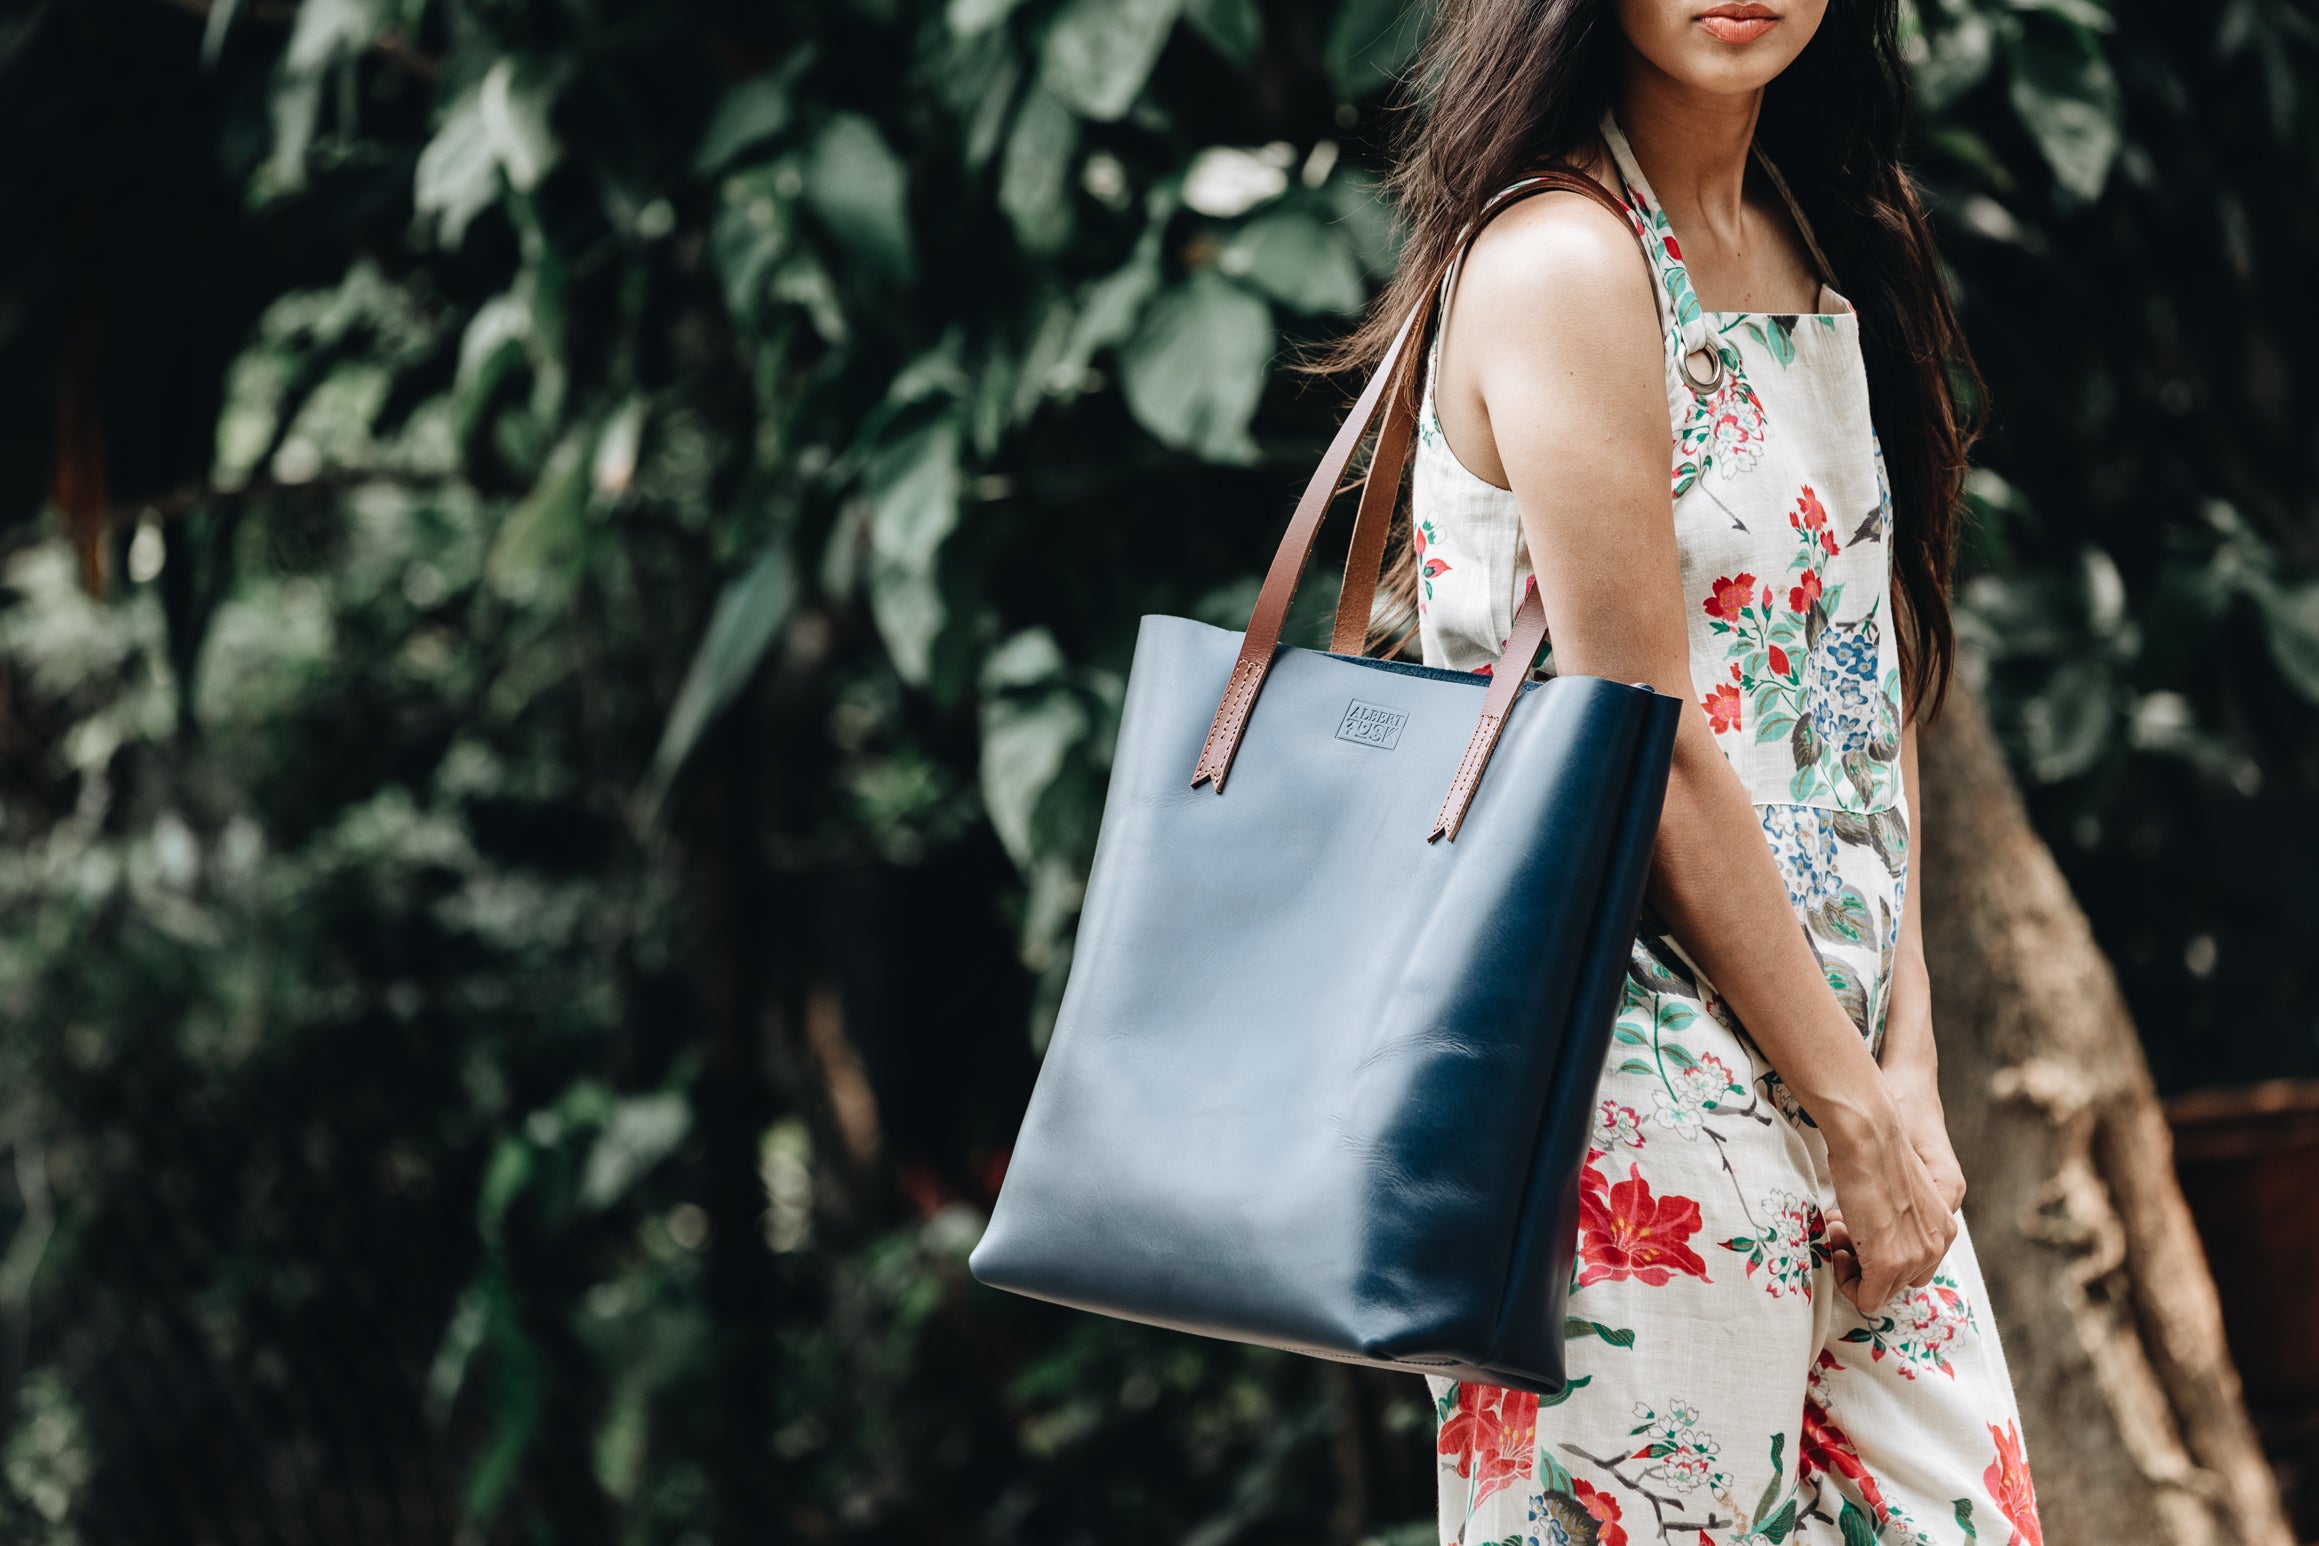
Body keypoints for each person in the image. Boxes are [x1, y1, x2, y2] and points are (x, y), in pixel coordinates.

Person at [1337, 2, 2046, 1541]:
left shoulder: (1819, 233)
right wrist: (1852, 1103)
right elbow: (1640, 743)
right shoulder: (1563, 261)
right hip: (1623, 1095)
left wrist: (1902, 1067)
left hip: (1841, 1080)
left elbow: (1865, 691)